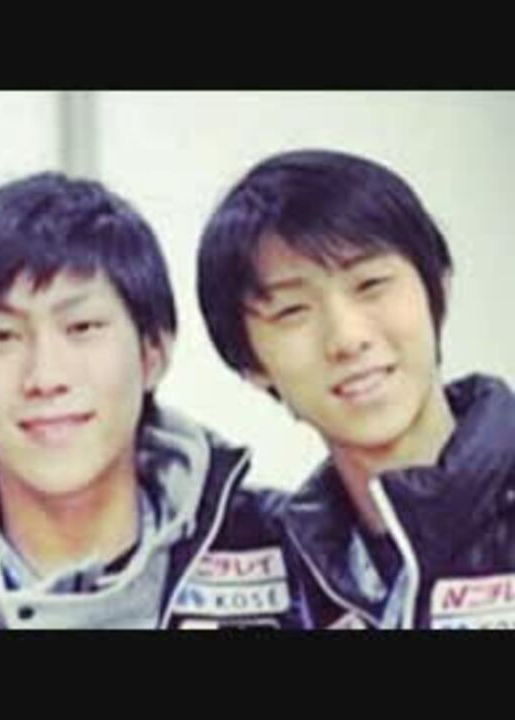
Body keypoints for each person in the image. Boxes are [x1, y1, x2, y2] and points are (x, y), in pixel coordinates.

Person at [0, 172, 301, 629]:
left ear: (153, 353)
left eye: (82, 327)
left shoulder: (286, 556)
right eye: (2, 336)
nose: (45, 378)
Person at [197, 148, 515, 629]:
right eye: (292, 311)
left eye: (370, 285)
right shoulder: (279, 581)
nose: (347, 338)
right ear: (250, 363)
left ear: (439, 288)